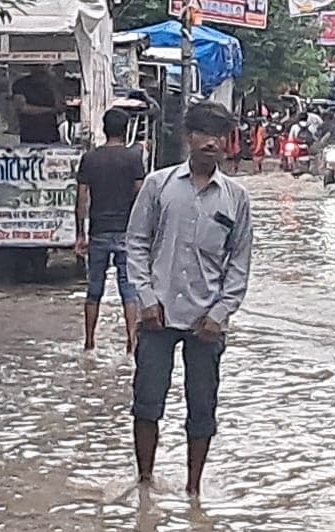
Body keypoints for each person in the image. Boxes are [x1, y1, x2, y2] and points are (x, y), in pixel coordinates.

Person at [125, 101, 252, 498]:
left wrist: (219, 313)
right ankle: (144, 483)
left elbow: (239, 263)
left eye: (219, 136)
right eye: (203, 134)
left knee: (202, 409)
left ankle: (193, 490)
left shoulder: (236, 198)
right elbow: (136, 243)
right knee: (146, 403)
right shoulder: (158, 185)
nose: (210, 143)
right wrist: (145, 299)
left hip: (206, 322)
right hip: (157, 315)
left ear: (226, 143)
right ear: (188, 138)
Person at [76, 108, 147, 353]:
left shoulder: (90, 158)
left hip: (98, 232)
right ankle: (131, 341)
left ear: (103, 128)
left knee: (94, 289)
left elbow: (82, 198)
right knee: (129, 290)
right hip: (126, 231)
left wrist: (80, 234)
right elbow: (140, 193)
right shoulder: (133, 158)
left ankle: (89, 341)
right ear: (125, 130)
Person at [11, 65, 64, 144]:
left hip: (51, 135)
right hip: (29, 135)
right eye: (36, 66)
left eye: (42, 66)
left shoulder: (52, 83)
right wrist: (51, 110)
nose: (39, 68)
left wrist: (53, 85)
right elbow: (21, 108)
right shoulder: (20, 84)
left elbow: (60, 106)